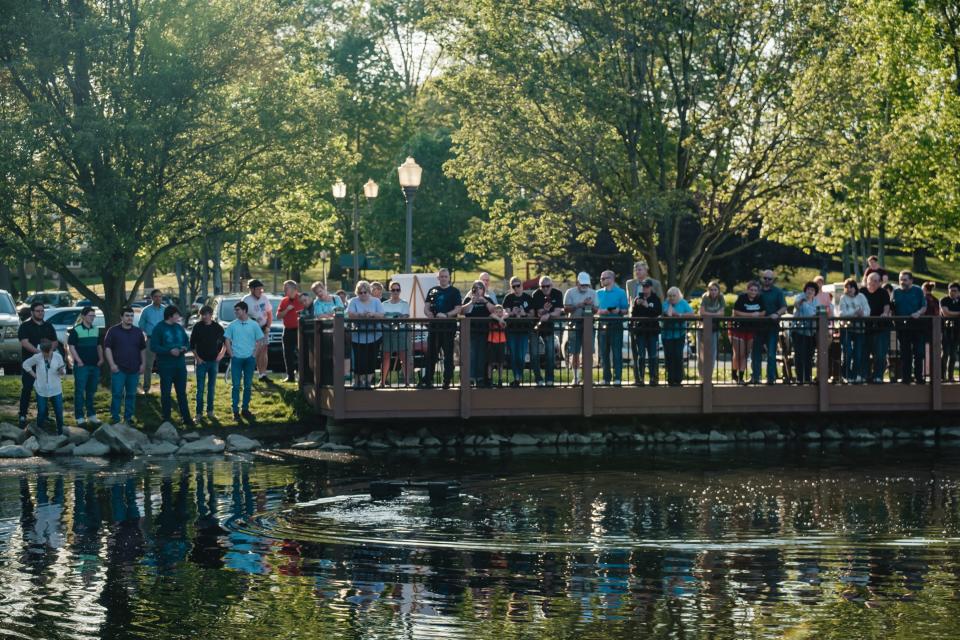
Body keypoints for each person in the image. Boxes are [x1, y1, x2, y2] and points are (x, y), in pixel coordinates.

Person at [151, 305, 194, 427]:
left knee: (181, 392)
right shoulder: (159, 328)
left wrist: (185, 348)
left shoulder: (179, 328)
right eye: (177, 315)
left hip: (180, 365)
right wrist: (169, 351)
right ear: (170, 315)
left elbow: (187, 342)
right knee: (166, 392)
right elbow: (153, 346)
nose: (179, 317)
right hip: (165, 365)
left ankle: (186, 418)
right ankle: (166, 418)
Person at [17, 301, 58, 428]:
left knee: (45, 389)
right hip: (30, 364)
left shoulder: (48, 326)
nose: (40, 313)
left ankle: (44, 415)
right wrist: (39, 353)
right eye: (38, 311)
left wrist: (49, 351)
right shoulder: (25, 326)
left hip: (45, 364)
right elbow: (24, 342)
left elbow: (55, 341)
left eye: (42, 311)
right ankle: (22, 415)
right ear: (32, 312)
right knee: (27, 389)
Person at [103, 307, 146, 425]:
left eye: (131, 316)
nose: (130, 318)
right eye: (127, 316)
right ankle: (115, 417)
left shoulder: (138, 332)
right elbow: (107, 348)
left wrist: (143, 364)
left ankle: (128, 418)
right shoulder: (113, 331)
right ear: (121, 317)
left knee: (131, 394)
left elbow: (142, 349)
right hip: (118, 368)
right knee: (117, 393)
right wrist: (112, 364)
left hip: (134, 369)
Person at [223, 301, 264, 420]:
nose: (235, 312)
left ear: (245, 310)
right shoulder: (232, 325)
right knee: (235, 385)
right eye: (235, 310)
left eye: (238, 310)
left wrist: (254, 354)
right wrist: (231, 354)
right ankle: (235, 411)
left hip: (249, 359)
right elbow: (227, 340)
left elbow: (260, 340)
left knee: (248, 385)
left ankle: (245, 409)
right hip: (236, 359)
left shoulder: (254, 324)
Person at [422, 268, 462, 389]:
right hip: (434, 326)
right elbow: (426, 307)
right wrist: (428, 313)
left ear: (449, 277)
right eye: (441, 276)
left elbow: (458, 309)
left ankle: (447, 380)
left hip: (448, 327)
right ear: (438, 278)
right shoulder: (432, 290)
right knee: (431, 354)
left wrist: (446, 315)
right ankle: (428, 380)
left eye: (445, 276)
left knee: (448, 355)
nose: (443, 278)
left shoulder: (454, 291)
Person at [67, 306, 103, 427]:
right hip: (82, 366)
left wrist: (101, 358)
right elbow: (71, 347)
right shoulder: (76, 330)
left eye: (93, 316)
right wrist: (78, 361)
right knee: (79, 391)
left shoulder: (96, 329)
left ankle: (91, 415)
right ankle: (79, 417)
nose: (92, 318)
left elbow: (98, 346)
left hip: (95, 365)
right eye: (90, 315)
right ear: (83, 316)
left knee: (91, 391)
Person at [23, 339, 66, 435]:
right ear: (41, 350)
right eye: (44, 352)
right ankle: (39, 433)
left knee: (59, 412)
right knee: (41, 411)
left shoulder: (58, 357)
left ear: (52, 349)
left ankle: (61, 433)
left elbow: (63, 371)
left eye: (48, 352)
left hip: (56, 389)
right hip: (41, 389)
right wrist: (34, 375)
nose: (46, 354)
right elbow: (25, 364)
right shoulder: (37, 357)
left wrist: (62, 371)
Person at [189, 305, 225, 419]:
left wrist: (221, 354)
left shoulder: (217, 327)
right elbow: (192, 345)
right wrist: (197, 358)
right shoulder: (197, 327)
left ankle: (210, 411)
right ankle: (198, 413)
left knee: (211, 387)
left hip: (214, 361)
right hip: (201, 362)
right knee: (200, 389)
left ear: (211, 315)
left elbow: (226, 341)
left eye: (206, 314)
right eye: (202, 315)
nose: (204, 317)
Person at [752, 269, 787, 385]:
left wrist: (776, 314)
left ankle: (771, 378)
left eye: (769, 279)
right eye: (765, 278)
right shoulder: (756, 291)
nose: (767, 280)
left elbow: (783, 307)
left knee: (771, 353)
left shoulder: (778, 292)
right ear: (762, 278)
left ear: (773, 280)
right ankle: (755, 377)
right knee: (756, 353)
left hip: (772, 326)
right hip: (758, 327)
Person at [347, 280, 384, 389]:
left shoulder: (376, 301)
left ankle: (368, 382)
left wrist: (372, 314)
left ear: (369, 292)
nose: (363, 295)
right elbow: (350, 314)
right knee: (359, 360)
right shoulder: (353, 301)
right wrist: (361, 315)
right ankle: (357, 381)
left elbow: (382, 315)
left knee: (371, 360)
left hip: (374, 335)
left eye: (365, 292)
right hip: (357, 336)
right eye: (360, 293)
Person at [892, 270, 927, 384]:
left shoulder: (917, 290)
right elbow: (892, 306)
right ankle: (906, 377)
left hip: (916, 324)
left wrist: (918, 313)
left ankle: (918, 377)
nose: (902, 282)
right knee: (905, 353)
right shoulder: (896, 292)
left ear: (911, 280)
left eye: (905, 279)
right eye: (901, 279)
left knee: (919, 352)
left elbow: (924, 306)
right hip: (902, 326)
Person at [596, 270, 629, 385]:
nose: (602, 280)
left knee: (616, 352)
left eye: (604, 278)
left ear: (612, 279)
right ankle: (606, 378)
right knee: (603, 353)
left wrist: (618, 310)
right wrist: (602, 311)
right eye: (601, 278)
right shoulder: (598, 293)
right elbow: (594, 310)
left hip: (616, 323)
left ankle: (617, 378)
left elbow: (626, 310)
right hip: (602, 324)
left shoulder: (621, 293)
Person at [563, 272, 596, 385]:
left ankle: (588, 377)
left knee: (588, 352)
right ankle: (576, 377)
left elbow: (596, 309)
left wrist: (590, 306)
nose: (584, 287)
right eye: (582, 285)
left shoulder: (593, 292)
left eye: (586, 285)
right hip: (574, 324)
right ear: (577, 283)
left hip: (588, 325)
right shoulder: (570, 292)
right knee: (575, 352)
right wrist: (580, 305)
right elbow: (566, 309)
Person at [462, 280, 497, 387]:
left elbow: (495, 310)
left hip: (484, 331)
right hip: (471, 331)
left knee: (482, 356)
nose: (478, 290)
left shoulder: (488, 299)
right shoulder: (468, 299)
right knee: (472, 355)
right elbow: (462, 311)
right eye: (475, 288)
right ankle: (471, 378)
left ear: (483, 289)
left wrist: (484, 301)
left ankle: (481, 378)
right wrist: (472, 302)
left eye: (480, 288)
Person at [531, 276, 564, 386]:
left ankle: (550, 379)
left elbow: (558, 312)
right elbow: (540, 313)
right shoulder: (536, 294)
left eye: (547, 286)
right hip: (535, 326)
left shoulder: (557, 293)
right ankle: (538, 379)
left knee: (550, 353)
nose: (545, 288)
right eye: (542, 286)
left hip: (548, 326)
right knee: (534, 354)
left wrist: (548, 314)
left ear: (552, 285)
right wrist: (546, 311)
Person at [836, 278, 870, 383]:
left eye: (851, 287)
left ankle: (855, 375)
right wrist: (855, 312)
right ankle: (846, 374)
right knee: (847, 352)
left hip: (859, 329)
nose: (849, 289)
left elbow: (867, 311)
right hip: (846, 328)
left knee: (858, 353)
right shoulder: (843, 298)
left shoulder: (862, 297)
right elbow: (842, 314)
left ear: (855, 288)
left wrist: (862, 314)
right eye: (847, 287)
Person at [860, 272, 891, 383]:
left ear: (879, 283)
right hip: (865, 328)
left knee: (880, 353)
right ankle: (865, 375)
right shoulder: (862, 292)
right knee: (864, 353)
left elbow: (887, 306)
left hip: (880, 327)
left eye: (876, 281)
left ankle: (878, 376)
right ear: (866, 280)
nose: (872, 283)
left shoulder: (883, 292)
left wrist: (885, 314)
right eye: (870, 280)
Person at [503, 276, 534, 387]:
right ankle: (516, 378)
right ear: (511, 287)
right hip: (511, 330)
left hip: (524, 330)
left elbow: (532, 313)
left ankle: (519, 376)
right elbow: (505, 313)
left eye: (518, 285)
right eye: (514, 286)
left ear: (522, 286)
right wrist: (512, 313)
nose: (516, 288)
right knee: (513, 355)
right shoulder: (508, 298)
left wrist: (524, 314)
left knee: (521, 355)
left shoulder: (527, 298)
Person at [630, 278, 662, 386]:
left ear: (651, 287)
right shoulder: (637, 299)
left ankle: (653, 378)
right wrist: (637, 305)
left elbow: (657, 312)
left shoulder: (655, 299)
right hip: (640, 331)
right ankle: (641, 378)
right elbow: (633, 315)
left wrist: (647, 306)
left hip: (652, 330)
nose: (645, 288)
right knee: (641, 356)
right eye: (643, 286)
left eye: (647, 286)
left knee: (653, 355)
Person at [731, 281, 763, 385]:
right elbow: (736, 311)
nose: (753, 292)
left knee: (745, 354)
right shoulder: (742, 298)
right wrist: (751, 315)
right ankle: (734, 373)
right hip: (738, 329)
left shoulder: (759, 299)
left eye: (755, 290)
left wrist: (758, 314)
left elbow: (763, 312)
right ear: (747, 289)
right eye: (751, 289)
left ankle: (740, 378)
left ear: (757, 291)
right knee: (739, 353)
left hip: (751, 330)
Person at [381, 281, 412, 387]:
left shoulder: (404, 304)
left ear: (400, 291)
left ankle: (407, 381)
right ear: (390, 291)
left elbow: (405, 316)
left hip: (401, 332)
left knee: (404, 357)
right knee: (386, 357)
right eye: (393, 290)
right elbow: (382, 317)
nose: (395, 292)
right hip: (387, 332)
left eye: (397, 290)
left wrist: (396, 319)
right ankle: (382, 381)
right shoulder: (384, 304)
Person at [661, 287, 694, 386]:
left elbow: (691, 314)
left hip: (679, 334)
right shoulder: (665, 304)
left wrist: (679, 315)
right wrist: (670, 306)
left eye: (674, 295)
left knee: (678, 355)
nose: (671, 297)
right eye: (669, 296)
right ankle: (670, 379)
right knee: (669, 356)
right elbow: (668, 314)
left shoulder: (683, 303)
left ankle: (678, 379)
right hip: (666, 335)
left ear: (679, 295)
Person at [792, 282, 822, 385]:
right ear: (805, 290)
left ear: (815, 293)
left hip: (810, 332)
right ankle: (800, 378)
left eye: (813, 290)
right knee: (799, 355)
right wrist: (803, 303)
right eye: (808, 289)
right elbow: (797, 305)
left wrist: (811, 311)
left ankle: (808, 378)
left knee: (809, 356)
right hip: (798, 331)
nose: (810, 291)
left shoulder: (816, 302)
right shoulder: (800, 297)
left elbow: (818, 314)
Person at [242, 279, 273, 379]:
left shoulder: (264, 298)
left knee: (263, 350)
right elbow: (242, 315)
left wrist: (268, 327)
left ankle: (262, 374)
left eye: (261, 289)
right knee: (252, 351)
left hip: (263, 328)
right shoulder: (246, 300)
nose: (260, 291)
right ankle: (248, 373)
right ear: (251, 289)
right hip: (251, 329)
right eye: (258, 289)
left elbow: (269, 314)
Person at [137, 289, 165, 395]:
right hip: (150, 339)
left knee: (163, 364)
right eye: (156, 296)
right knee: (148, 365)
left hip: (162, 341)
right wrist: (149, 332)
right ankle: (146, 388)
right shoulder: (146, 310)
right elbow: (141, 324)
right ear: (152, 298)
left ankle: (164, 386)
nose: (158, 298)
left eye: (160, 296)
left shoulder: (165, 310)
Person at [275, 280, 304, 383]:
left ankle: (303, 376)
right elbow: (278, 316)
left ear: (294, 289)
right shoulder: (284, 301)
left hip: (301, 330)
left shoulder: (302, 299)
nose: (284, 290)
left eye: (286, 288)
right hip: (288, 330)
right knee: (288, 354)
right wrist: (287, 310)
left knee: (302, 353)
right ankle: (290, 376)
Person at [698, 281, 725, 380]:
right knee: (701, 353)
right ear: (708, 290)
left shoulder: (721, 297)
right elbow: (702, 312)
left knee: (712, 354)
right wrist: (715, 314)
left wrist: (709, 314)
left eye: (715, 290)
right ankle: (701, 376)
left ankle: (709, 376)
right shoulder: (705, 297)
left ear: (718, 291)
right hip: (703, 327)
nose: (713, 292)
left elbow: (722, 314)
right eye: (711, 290)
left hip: (714, 328)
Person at [941, 282, 960, 381]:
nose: (952, 293)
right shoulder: (944, 300)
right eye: (950, 290)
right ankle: (942, 376)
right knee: (945, 353)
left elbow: (950, 312)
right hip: (946, 330)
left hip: (957, 331)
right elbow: (946, 313)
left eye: (955, 291)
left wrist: (953, 313)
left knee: (953, 354)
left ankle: (951, 376)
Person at [488, 305, 508, 386]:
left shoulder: (504, 318)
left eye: (500, 312)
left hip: (501, 342)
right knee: (490, 363)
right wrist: (500, 319)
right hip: (491, 341)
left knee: (501, 363)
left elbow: (507, 314)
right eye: (497, 312)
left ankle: (500, 380)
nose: (498, 313)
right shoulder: (492, 318)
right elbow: (491, 315)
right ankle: (490, 380)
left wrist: (502, 319)